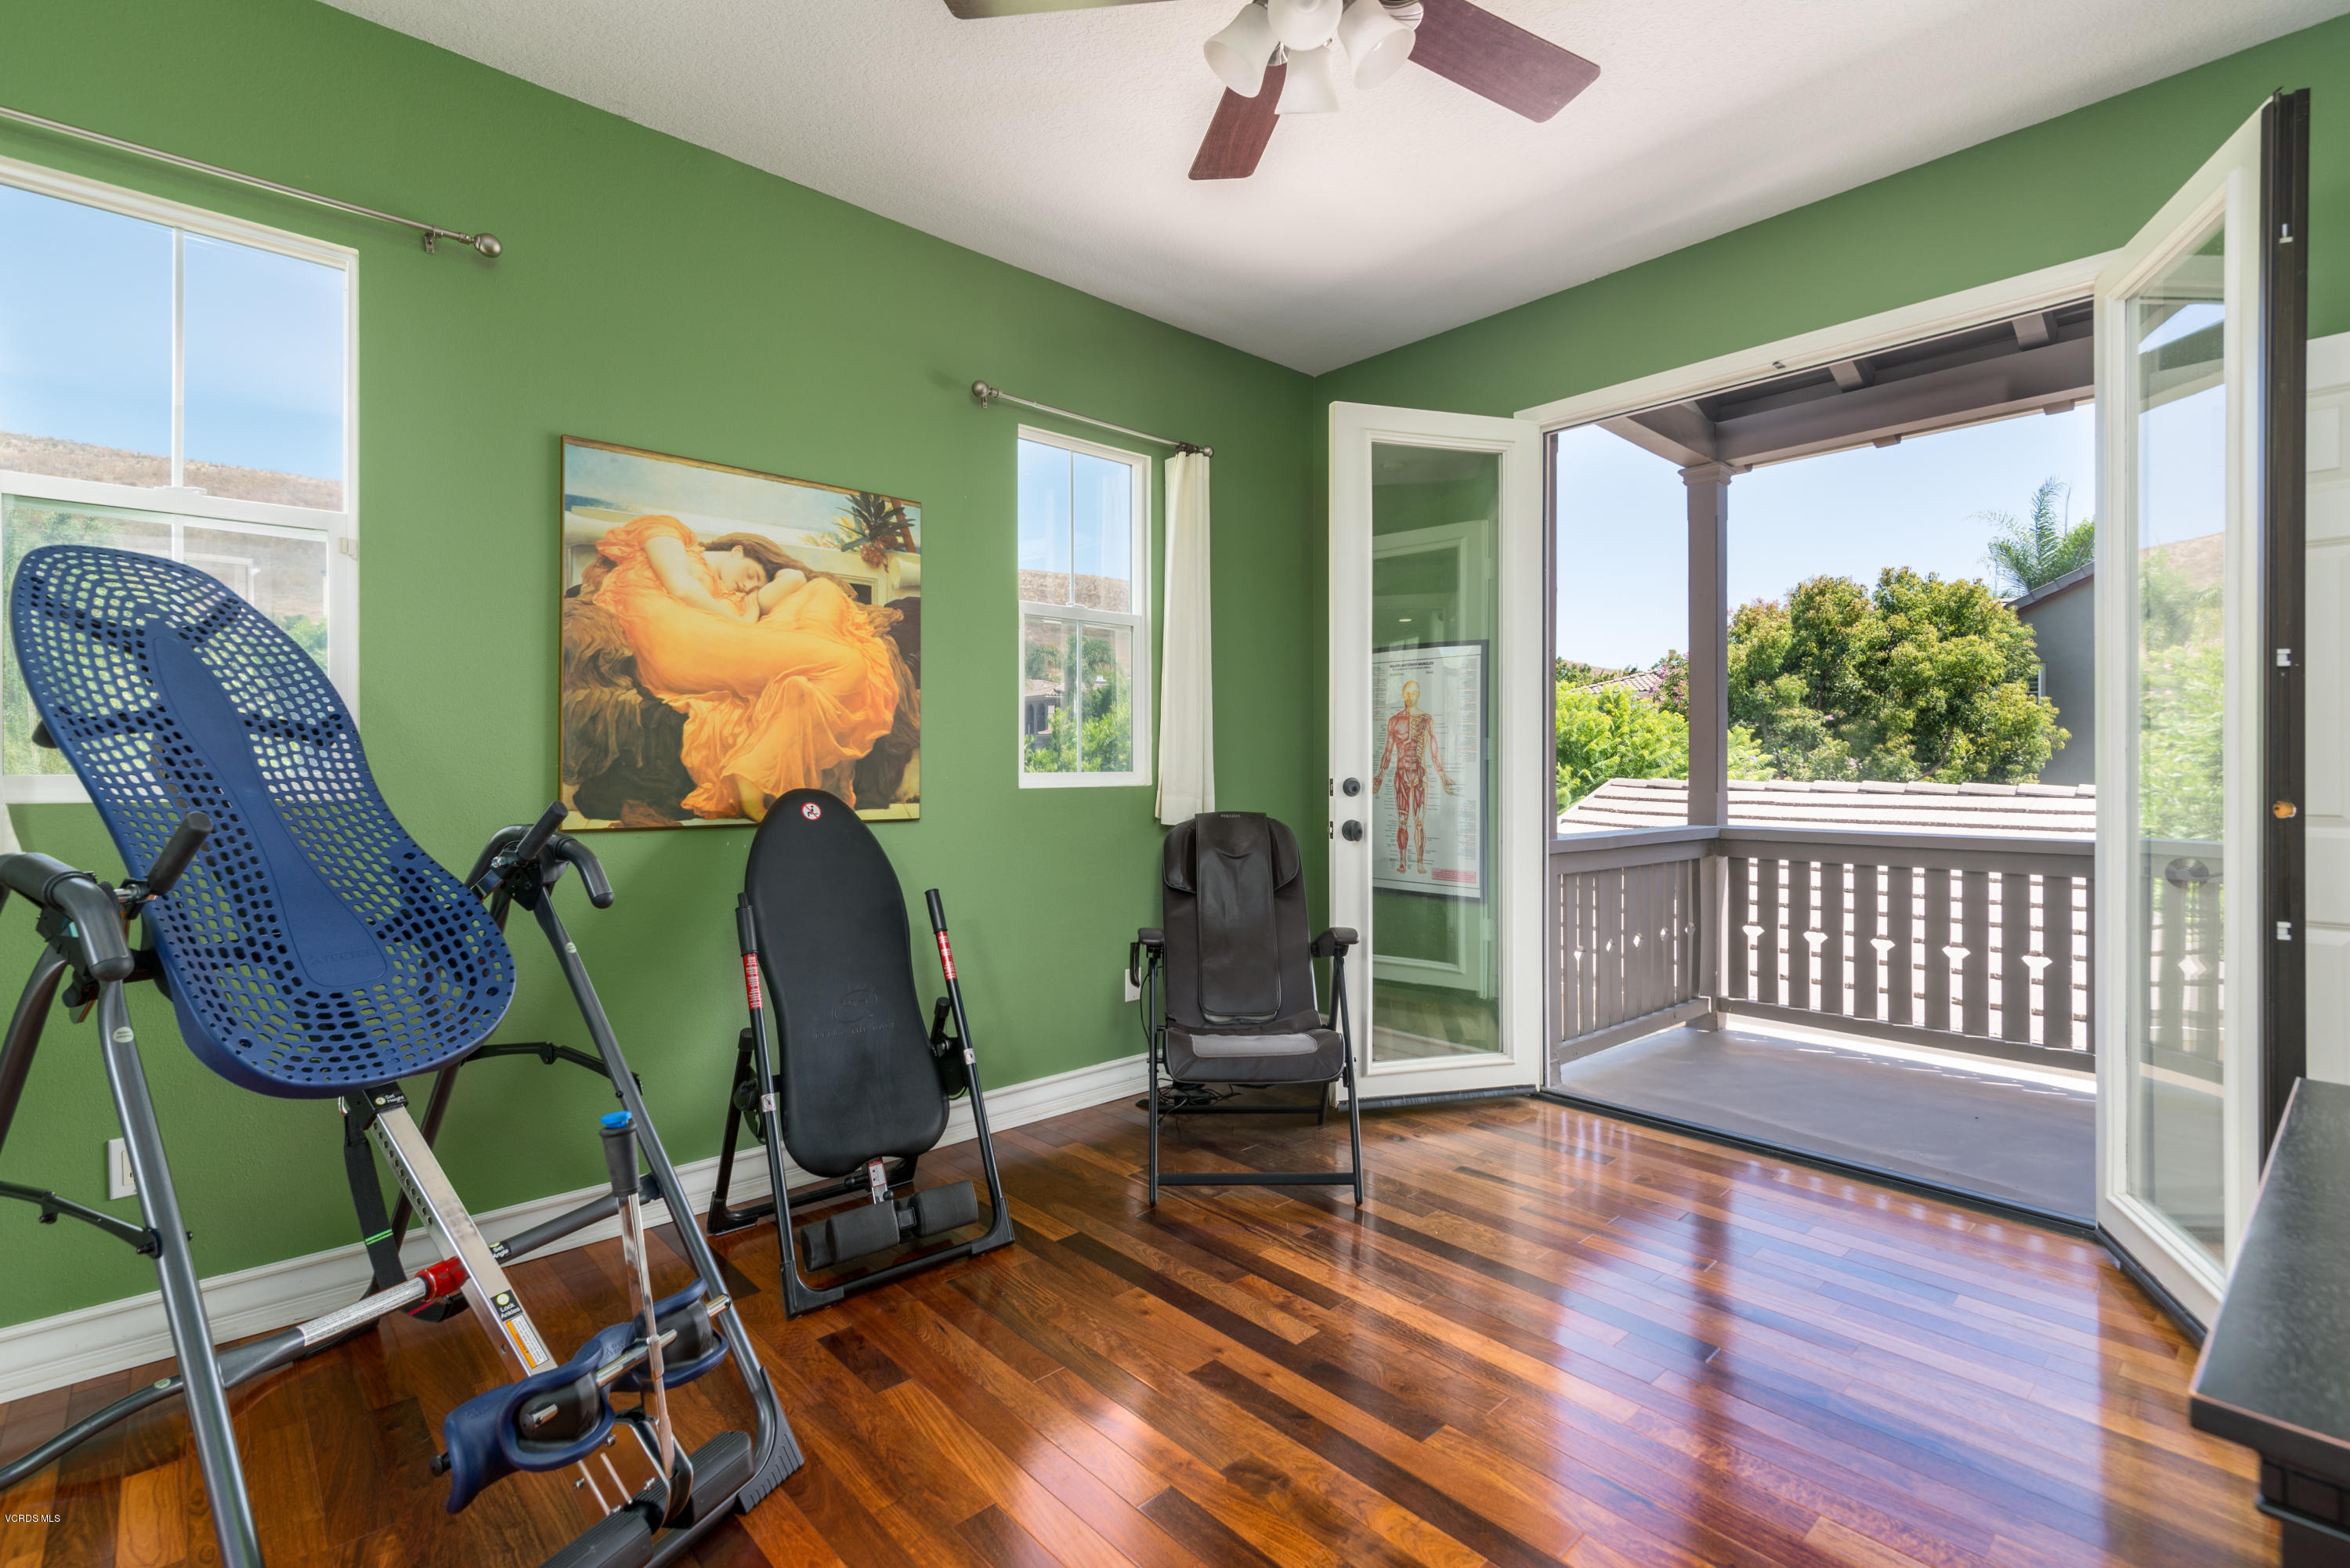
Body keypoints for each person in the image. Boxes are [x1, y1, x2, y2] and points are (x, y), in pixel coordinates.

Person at [585, 515, 902, 820]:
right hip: (680, 643)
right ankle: (753, 770)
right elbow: (681, 587)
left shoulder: (727, 595)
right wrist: (740, 621)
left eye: (755, 586)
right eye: (751, 574)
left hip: (706, 642)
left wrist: (785, 581)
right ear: (738, 551)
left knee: (822, 592)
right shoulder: (667, 531)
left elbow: (776, 592)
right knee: (846, 663)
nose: (747, 586)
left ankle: (755, 769)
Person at [1371, 678, 1454, 875]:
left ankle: (1419, 861)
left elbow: (1434, 751)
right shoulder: (1394, 721)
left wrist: (1442, 776)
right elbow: (1388, 752)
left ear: (1419, 695)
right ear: (1402, 694)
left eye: (1414, 692)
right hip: (1400, 775)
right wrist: (1379, 777)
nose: (1410, 696)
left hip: (1419, 774)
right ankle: (1402, 861)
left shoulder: (1426, 719)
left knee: (1418, 822)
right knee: (1402, 821)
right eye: (1407, 692)